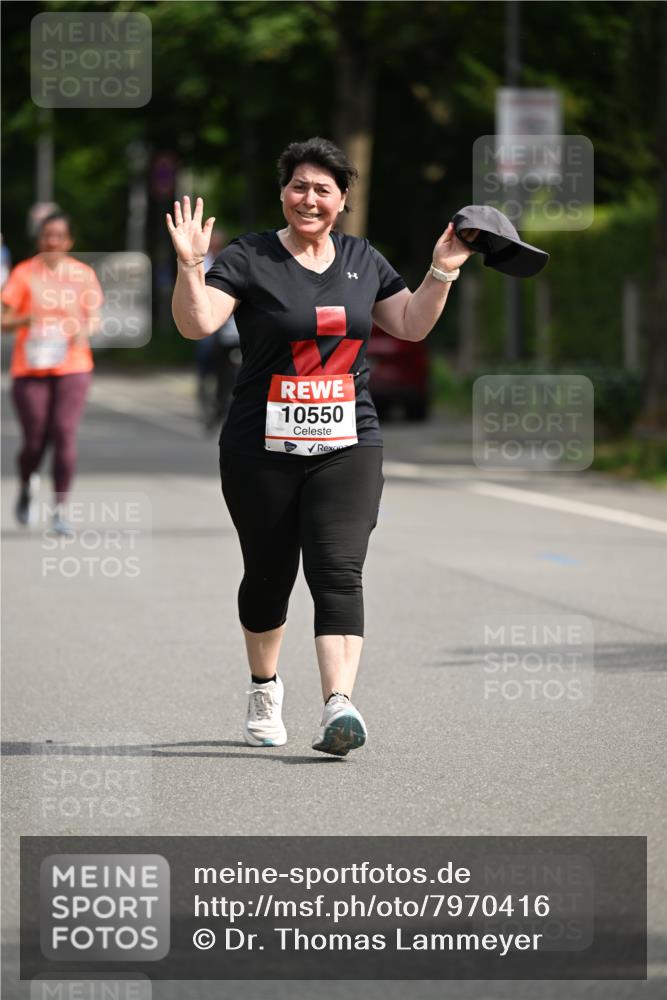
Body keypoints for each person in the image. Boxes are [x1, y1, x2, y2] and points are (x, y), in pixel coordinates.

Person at [167, 137, 476, 756]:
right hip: (261, 445)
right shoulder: (251, 257)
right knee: (269, 574)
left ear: (343, 201)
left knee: (338, 569)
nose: (309, 199)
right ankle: (264, 686)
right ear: (284, 193)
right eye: (298, 186)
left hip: (348, 440)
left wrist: (442, 269)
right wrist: (190, 266)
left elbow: (410, 324)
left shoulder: (363, 259)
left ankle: (339, 705)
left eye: (323, 189)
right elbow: (197, 323)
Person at [1, 211, 103, 535]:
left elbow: (96, 319)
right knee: (34, 441)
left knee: (63, 432)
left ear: (69, 241)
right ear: (39, 239)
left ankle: (60, 510)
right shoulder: (23, 273)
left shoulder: (83, 274)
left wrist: (82, 331)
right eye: (47, 235)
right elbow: (3, 321)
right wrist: (25, 321)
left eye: (59, 236)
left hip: (73, 365)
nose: (52, 241)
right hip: (30, 368)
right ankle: (26, 485)